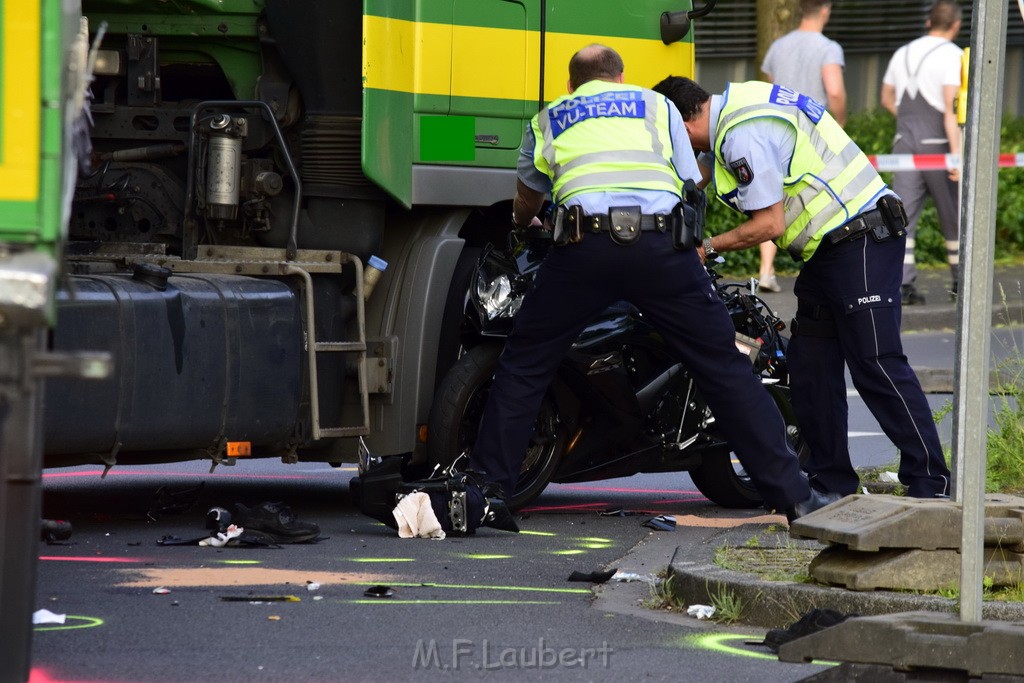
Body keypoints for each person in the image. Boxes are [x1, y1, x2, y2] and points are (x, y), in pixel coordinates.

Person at [466, 44, 832, 526]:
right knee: (723, 366)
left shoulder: (550, 117)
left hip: (582, 248)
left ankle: (489, 492)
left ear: (572, 85)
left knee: (525, 363)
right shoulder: (657, 106)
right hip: (661, 249)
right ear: (620, 79)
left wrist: (523, 224)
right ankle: (797, 499)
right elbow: (685, 181)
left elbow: (529, 199)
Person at [653, 76, 951, 499]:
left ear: (682, 124)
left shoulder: (741, 133)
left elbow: (769, 224)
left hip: (863, 237)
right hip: (827, 250)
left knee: (876, 362)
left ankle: (931, 483)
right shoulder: (736, 107)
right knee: (811, 367)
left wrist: (706, 248)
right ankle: (831, 484)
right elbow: (693, 177)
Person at [758, 0, 848, 293]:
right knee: (820, 198)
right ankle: (821, 266)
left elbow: (770, 85)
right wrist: (840, 125)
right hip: (811, 134)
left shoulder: (777, 46)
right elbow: (834, 90)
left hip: (777, 131)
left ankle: (766, 271)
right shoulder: (828, 48)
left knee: (771, 199)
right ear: (825, 10)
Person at [881, 0, 963, 306]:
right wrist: (956, 156)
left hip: (905, 143)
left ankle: (902, 284)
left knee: (903, 216)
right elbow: (950, 111)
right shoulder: (955, 56)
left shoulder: (902, 53)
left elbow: (887, 98)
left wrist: (909, 122)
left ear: (929, 21)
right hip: (939, 145)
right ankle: (960, 281)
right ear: (955, 24)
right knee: (953, 214)